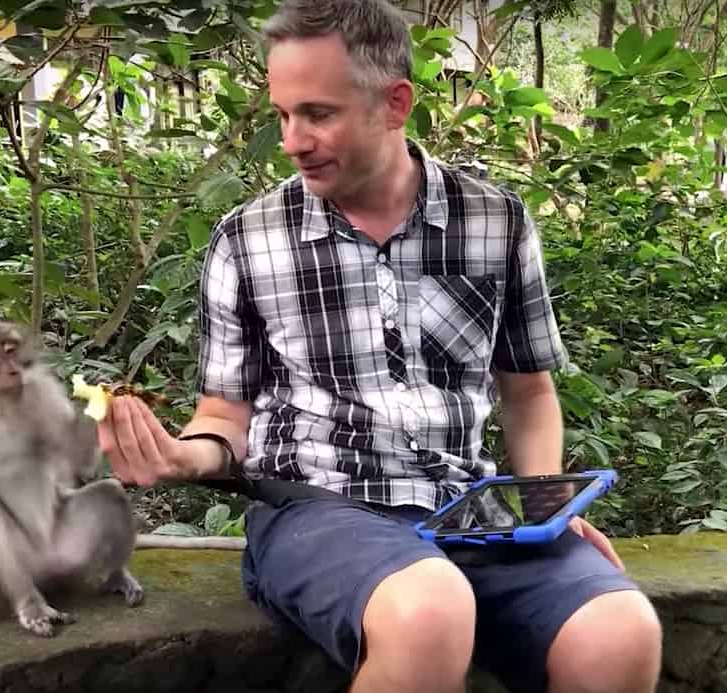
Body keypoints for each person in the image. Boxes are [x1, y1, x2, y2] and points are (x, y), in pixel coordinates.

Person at [96, 1, 662, 691]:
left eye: (318, 114)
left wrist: (547, 512)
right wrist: (180, 455)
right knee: (429, 611)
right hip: (316, 508)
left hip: (466, 507)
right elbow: (224, 414)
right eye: (283, 115)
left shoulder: (495, 220)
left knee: (621, 632)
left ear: (395, 104)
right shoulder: (247, 239)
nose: (293, 140)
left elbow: (529, 392)